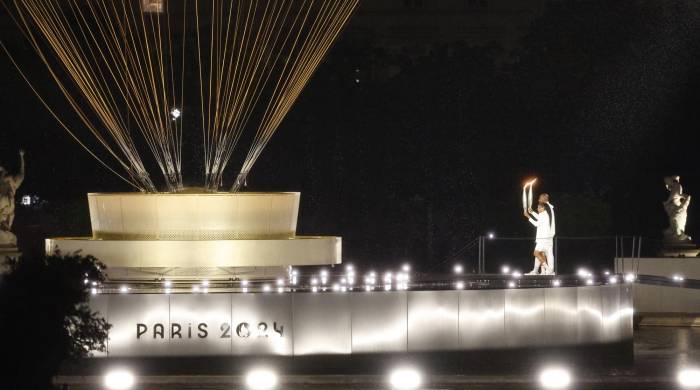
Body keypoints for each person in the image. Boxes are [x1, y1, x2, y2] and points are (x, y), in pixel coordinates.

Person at [524, 202, 554, 275]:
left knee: (536, 253)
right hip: (544, 238)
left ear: (543, 208)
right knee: (541, 254)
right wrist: (532, 212)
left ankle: (548, 270)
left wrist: (528, 216)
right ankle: (539, 271)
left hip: (542, 239)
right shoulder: (544, 214)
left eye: (539, 207)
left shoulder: (543, 215)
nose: (537, 209)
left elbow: (536, 224)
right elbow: (538, 217)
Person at [0, 149, 25, 232]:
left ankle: (6, 227)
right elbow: (21, 173)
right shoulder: (9, 182)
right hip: (6, 203)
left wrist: (21, 157)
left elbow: (22, 173)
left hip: (7, 203)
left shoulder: (12, 183)